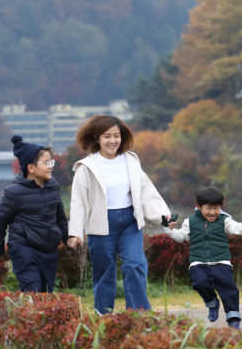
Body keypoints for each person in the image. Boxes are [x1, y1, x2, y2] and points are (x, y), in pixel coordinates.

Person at [67, 115, 173, 314]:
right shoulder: (86, 167)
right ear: (97, 137)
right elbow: (78, 202)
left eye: (117, 136)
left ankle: (139, 314)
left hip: (130, 222)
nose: (113, 141)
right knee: (104, 271)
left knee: (135, 264)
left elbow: (146, 190)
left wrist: (164, 217)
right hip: (101, 224)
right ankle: (104, 316)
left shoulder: (131, 160)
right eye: (107, 136)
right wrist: (75, 232)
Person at [159, 186, 242, 329]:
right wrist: (166, 227)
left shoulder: (225, 220)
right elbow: (180, 237)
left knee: (228, 289)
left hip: (221, 262)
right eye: (209, 208)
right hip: (198, 263)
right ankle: (212, 303)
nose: (213, 212)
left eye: (217, 208)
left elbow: (240, 229)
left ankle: (233, 319)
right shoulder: (190, 221)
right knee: (200, 283)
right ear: (199, 207)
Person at [0, 136, 69, 293]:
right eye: (46, 163)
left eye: (50, 162)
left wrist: (66, 238)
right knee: (32, 290)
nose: (50, 166)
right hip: (24, 248)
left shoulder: (53, 186)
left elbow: (60, 217)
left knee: (46, 293)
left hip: (49, 249)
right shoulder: (14, 192)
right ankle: (27, 315)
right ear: (31, 168)